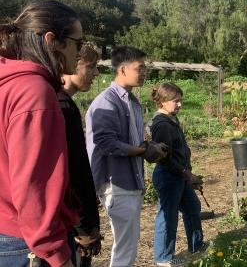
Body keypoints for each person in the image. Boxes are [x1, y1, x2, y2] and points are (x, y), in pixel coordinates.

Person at [0, 0, 82, 267]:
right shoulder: (34, 93)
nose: (79, 53)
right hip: (26, 243)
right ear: (52, 40)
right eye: (76, 43)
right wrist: (57, 254)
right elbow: (33, 187)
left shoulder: (8, 83)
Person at [85, 46, 167, 267]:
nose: (144, 72)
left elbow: (133, 141)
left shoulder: (132, 101)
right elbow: (106, 143)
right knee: (125, 247)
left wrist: (148, 146)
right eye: (139, 68)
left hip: (130, 181)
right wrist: (142, 150)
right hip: (117, 183)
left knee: (128, 244)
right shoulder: (107, 101)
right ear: (122, 69)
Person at [149, 82, 205, 267]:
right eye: (176, 101)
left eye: (180, 100)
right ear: (163, 101)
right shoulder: (162, 125)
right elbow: (164, 159)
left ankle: (197, 247)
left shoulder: (171, 119)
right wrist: (186, 174)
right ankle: (164, 258)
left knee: (192, 207)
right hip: (169, 177)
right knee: (167, 216)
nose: (180, 105)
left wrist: (187, 173)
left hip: (179, 175)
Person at [59, 42, 102, 266]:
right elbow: (72, 174)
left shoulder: (64, 103)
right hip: (70, 225)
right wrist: (83, 228)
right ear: (70, 63)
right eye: (91, 66)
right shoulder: (62, 107)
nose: (96, 73)